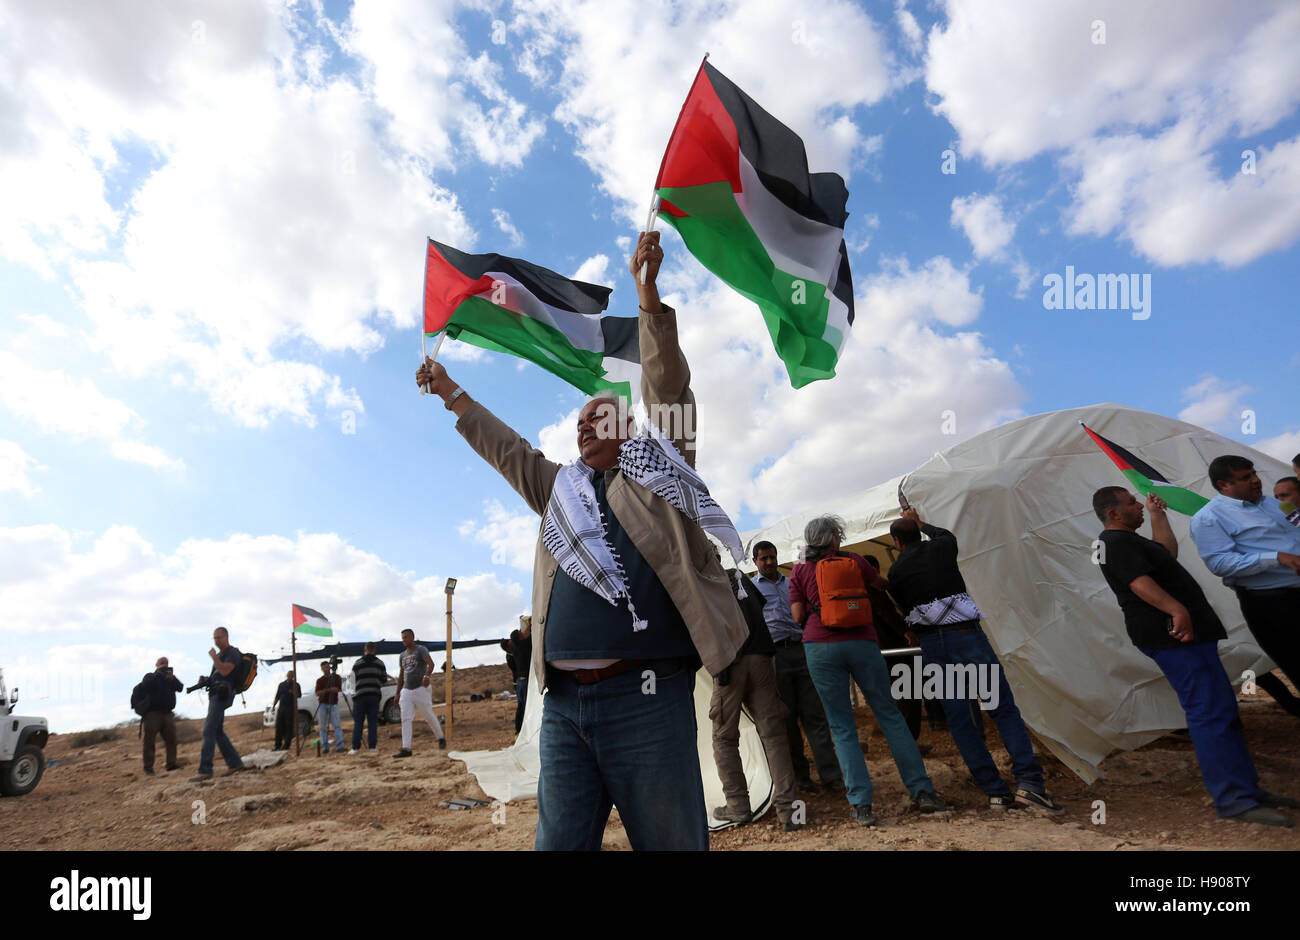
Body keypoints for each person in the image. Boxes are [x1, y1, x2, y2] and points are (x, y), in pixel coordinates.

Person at [415, 233, 749, 851]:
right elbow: (508, 450)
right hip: (563, 708)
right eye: (576, 425)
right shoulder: (558, 491)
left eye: (597, 418)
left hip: (646, 697)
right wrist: (451, 393)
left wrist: (649, 298)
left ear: (626, 425)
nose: (582, 429)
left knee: (673, 840)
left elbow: (669, 387)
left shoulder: (661, 473)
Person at [1094, 486, 1297, 826]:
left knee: (1222, 710)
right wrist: (1177, 610)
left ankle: (1248, 789)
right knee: (1209, 714)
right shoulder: (1114, 543)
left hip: (1187, 636)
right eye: (1131, 502)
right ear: (1114, 513)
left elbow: (1165, 553)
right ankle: (1234, 800)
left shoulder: (1132, 541)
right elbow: (1138, 584)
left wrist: (1158, 516)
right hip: (1173, 637)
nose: (1137, 505)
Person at [887, 509, 1065, 815]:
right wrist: (922, 522)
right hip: (966, 637)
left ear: (896, 543)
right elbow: (945, 535)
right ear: (918, 532)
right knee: (1002, 710)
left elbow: (905, 611)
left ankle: (995, 792)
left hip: (933, 646)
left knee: (960, 721)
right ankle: (1030, 784)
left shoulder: (896, 574)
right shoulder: (940, 547)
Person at [790, 515, 950, 827]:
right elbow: (880, 585)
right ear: (835, 538)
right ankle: (922, 792)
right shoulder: (855, 561)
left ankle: (861, 805)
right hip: (862, 643)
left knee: (842, 727)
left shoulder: (798, 570)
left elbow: (797, 616)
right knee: (890, 716)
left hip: (820, 647)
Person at [1189, 456, 1300, 717]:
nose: (1256, 480)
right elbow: (1220, 563)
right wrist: (1276, 558)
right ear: (1223, 485)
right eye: (1245, 477)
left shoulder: (1276, 505)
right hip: (1273, 603)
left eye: (1254, 473)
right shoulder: (1209, 518)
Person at [710, 563, 800, 830]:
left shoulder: (706, 581)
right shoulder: (740, 578)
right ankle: (790, 810)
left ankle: (738, 805)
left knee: (724, 738)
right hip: (761, 658)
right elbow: (760, 606)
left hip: (730, 662)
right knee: (774, 735)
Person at [750, 540, 843, 794]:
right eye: (763, 558)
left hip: (803, 651)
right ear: (754, 562)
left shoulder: (793, 582)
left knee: (815, 716)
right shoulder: (750, 589)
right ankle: (801, 777)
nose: (769, 562)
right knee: (787, 720)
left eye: (772, 557)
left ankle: (831, 776)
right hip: (775, 658)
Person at [192, 627, 247, 781]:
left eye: (219, 638)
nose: (216, 641)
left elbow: (224, 672)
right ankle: (235, 763)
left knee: (208, 729)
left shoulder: (232, 653)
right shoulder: (221, 655)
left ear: (226, 637)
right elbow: (217, 675)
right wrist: (205, 680)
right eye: (214, 638)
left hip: (223, 694)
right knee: (217, 731)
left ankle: (205, 770)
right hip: (215, 693)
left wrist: (214, 658)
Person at [393, 629, 445, 757]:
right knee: (405, 718)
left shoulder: (421, 650)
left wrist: (427, 676)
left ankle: (441, 738)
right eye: (402, 638)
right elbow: (401, 674)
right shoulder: (402, 655)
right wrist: (398, 692)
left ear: (412, 637)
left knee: (428, 715)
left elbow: (431, 664)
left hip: (420, 688)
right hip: (406, 690)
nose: (404, 640)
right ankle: (406, 748)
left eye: (406, 637)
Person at [140, 656, 184, 775]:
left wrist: (172, 679)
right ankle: (148, 768)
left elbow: (180, 688)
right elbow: (145, 686)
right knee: (149, 741)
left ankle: (171, 764)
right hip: (153, 714)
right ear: (156, 664)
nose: (164, 665)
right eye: (162, 663)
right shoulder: (150, 676)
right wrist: (159, 674)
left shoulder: (170, 677)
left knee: (172, 740)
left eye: (166, 663)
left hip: (168, 714)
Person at [348, 642, 388, 754]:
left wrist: (354, 695)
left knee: (358, 723)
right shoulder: (380, 663)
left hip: (360, 696)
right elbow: (384, 679)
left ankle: (355, 748)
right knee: (372, 722)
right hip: (374, 695)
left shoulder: (357, 663)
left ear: (365, 649)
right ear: (374, 650)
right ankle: (372, 747)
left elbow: (352, 681)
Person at [315, 661, 345, 754]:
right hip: (323, 704)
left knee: (337, 725)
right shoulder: (320, 680)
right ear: (322, 669)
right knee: (323, 727)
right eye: (324, 668)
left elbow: (338, 689)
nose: (326, 669)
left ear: (330, 667)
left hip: (333, 704)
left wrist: (331, 690)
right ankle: (325, 747)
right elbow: (317, 693)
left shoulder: (336, 677)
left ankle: (340, 746)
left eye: (327, 667)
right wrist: (329, 690)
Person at [271, 670, 301, 751]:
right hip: (282, 707)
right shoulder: (281, 685)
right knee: (279, 726)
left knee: (289, 727)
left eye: (291, 675)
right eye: (289, 675)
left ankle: (286, 745)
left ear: (293, 676)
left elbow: (299, 695)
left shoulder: (296, 685)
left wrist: (293, 692)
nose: (290, 676)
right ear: (287, 675)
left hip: (290, 708)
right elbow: (277, 696)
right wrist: (273, 706)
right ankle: (277, 745)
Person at [512, 617, 532, 734]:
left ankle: (520, 731)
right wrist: (528, 624)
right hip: (525, 681)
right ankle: (526, 730)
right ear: (519, 637)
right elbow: (530, 635)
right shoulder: (524, 645)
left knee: (522, 706)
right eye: (520, 633)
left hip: (520, 682)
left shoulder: (515, 647)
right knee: (527, 706)